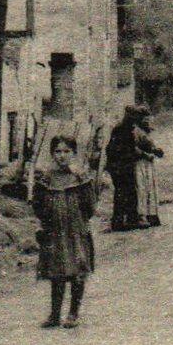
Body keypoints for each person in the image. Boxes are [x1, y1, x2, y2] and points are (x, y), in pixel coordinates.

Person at [33, 135, 97, 329]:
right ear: (52, 154)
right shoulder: (46, 178)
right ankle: (55, 314)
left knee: (78, 269)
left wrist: (79, 220)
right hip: (54, 231)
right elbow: (38, 204)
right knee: (57, 271)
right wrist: (46, 222)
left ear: (74, 153)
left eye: (67, 151)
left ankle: (73, 313)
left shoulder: (81, 177)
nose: (62, 156)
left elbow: (90, 206)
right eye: (58, 151)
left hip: (76, 230)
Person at [104, 105, 151, 232]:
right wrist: (143, 154)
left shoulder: (127, 128)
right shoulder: (121, 129)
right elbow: (123, 149)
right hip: (119, 166)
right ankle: (120, 222)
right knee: (122, 193)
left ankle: (129, 219)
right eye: (133, 116)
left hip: (124, 165)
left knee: (129, 192)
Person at [135, 128, 165, 227]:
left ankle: (151, 214)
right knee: (141, 188)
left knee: (150, 188)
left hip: (148, 163)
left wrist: (155, 150)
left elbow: (149, 144)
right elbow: (133, 147)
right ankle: (141, 215)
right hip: (138, 163)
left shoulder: (146, 131)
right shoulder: (135, 130)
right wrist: (146, 154)